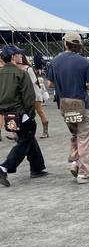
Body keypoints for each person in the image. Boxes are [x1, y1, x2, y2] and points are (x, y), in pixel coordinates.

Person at [46, 32, 89, 184]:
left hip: (65, 105)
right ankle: (83, 173)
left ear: (65, 43)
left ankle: (75, 162)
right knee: (84, 138)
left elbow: (49, 84)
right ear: (79, 45)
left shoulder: (55, 61)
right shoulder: (85, 62)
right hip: (82, 104)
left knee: (75, 135)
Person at [0, 45, 48, 187]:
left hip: (8, 113)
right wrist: (31, 114)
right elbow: (29, 96)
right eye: (18, 54)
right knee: (25, 139)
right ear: (12, 56)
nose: (21, 56)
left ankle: (37, 167)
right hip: (22, 112)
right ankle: (4, 167)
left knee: (26, 137)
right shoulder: (21, 73)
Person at [18, 55, 49, 138]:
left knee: (40, 111)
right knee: (25, 114)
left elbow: (33, 82)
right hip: (24, 95)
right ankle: (26, 132)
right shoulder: (17, 68)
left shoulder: (28, 69)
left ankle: (45, 131)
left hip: (34, 93)